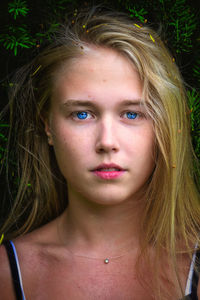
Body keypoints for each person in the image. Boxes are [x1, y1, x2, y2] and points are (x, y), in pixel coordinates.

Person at [0, 6, 199, 300]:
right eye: (82, 115)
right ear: (48, 126)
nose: (107, 142)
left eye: (132, 115)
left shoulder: (194, 265)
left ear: (165, 127)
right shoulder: (6, 273)